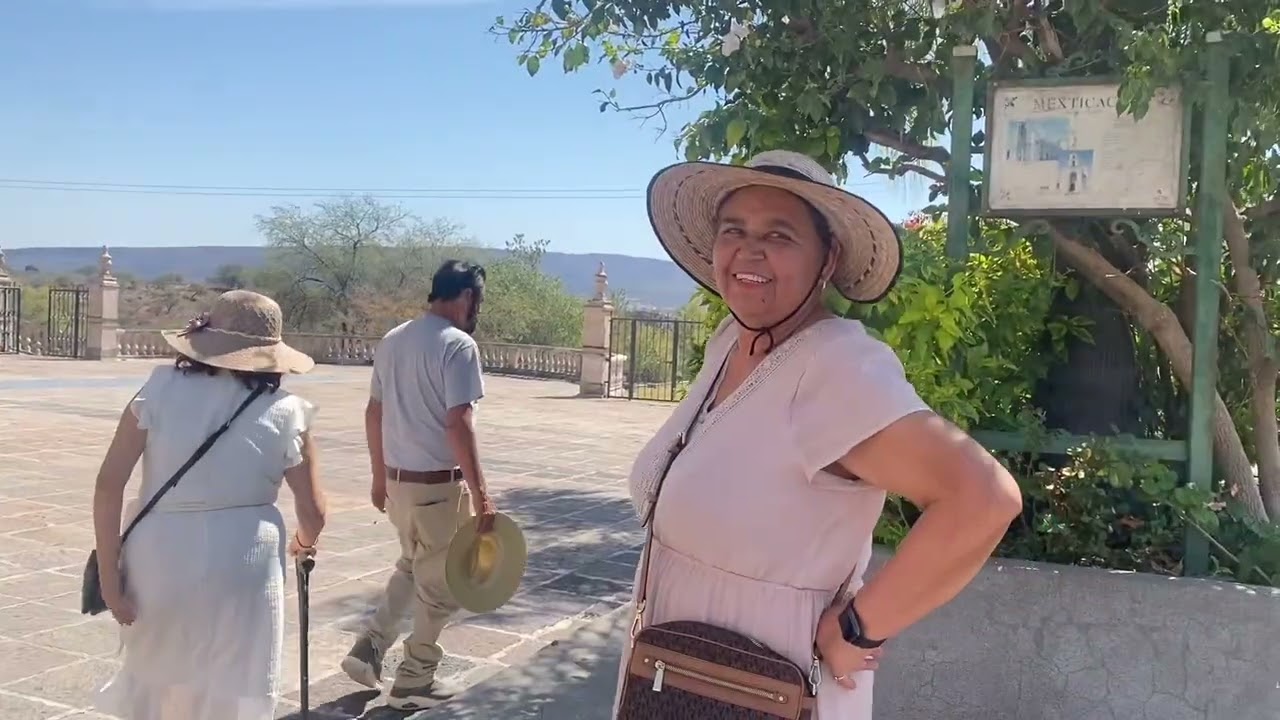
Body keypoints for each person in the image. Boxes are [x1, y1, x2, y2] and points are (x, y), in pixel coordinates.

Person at [617, 150, 1024, 718]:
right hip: (678, 677)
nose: (749, 250)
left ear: (827, 258)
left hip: (768, 690)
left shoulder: (836, 365)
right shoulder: (730, 345)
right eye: (733, 230)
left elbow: (982, 498)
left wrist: (859, 629)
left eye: (779, 235)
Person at [92, 289, 328, 720]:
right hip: (247, 562)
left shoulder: (159, 389)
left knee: (160, 679)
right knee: (234, 685)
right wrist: (302, 542)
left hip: (160, 556)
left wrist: (110, 578)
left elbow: (109, 485)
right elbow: (313, 510)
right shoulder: (288, 410)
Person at [342, 259, 500, 712]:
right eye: (478, 301)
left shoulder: (394, 340)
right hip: (438, 489)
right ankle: (415, 677)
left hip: (399, 486)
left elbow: (374, 412)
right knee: (443, 586)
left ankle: (368, 650)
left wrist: (378, 477)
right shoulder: (458, 346)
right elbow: (458, 422)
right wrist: (482, 494)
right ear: (468, 297)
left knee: (412, 566)